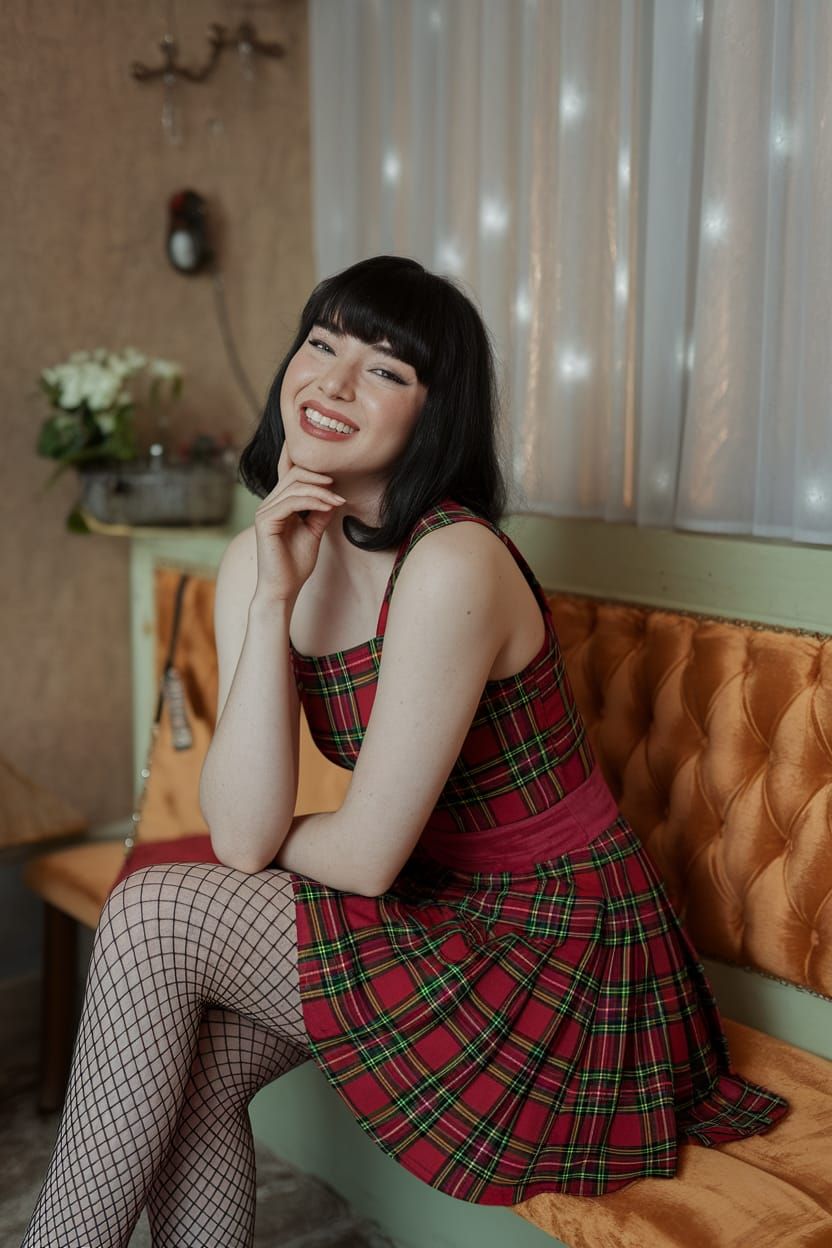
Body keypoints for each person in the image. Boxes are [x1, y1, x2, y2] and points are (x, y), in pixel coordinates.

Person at [22, 254, 789, 1246]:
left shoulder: (451, 562)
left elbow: (352, 855)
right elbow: (250, 831)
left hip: (557, 956)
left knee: (157, 904)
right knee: (198, 1067)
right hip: (435, 909)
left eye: (386, 370)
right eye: (323, 343)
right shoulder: (264, 552)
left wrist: (266, 835)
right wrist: (272, 596)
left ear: (434, 414)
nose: (335, 381)